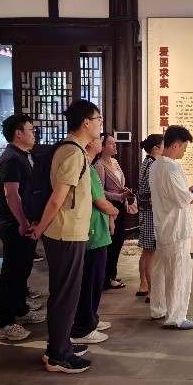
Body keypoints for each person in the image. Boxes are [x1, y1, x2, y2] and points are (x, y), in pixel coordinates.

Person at [29, 99, 102, 374]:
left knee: (64, 293)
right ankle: (59, 355)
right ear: (86, 122)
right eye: (98, 119)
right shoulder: (73, 153)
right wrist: (39, 228)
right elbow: (57, 198)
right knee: (65, 295)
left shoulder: (70, 148)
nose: (100, 124)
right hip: (66, 233)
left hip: (66, 232)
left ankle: (58, 346)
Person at [149, 125, 193, 329]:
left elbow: (172, 194)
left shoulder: (156, 165)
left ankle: (158, 308)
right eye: (184, 147)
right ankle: (175, 317)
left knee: (161, 270)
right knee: (178, 272)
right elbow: (184, 199)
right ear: (176, 145)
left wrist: (188, 190)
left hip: (163, 225)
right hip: (176, 228)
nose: (185, 151)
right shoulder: (172, 167)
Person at [0, 114, 46, 342]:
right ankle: (4, 324)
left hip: (26, 224)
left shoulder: (24, 155)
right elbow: (11, 194)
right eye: (30, 130)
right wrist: (23, 222)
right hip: (15, 225)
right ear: (18, 133)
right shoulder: (11, 158)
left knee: (22, 270)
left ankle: (20, 310)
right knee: (11, 273)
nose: (34, 134)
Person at [69, 137, 120, 345]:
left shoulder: (89, 167)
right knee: (90, 281)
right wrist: (114, 211)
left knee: (96, 280)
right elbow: (101, 202)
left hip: (97, 231)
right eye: (99, 139)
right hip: (92, 232)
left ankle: (91, 318)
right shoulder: (89, 169)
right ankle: (83, 327)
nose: (102, 142)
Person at [94, 133, 132, 290]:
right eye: (110, 143)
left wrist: (124, 192)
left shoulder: (115, 162)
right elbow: (100, 192)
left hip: (120, 205)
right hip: (109, 206)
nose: (114, 145)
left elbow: (119, 184)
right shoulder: (99, 165)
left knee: (118, 241)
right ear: (102, 147)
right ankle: (106, 278)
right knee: (111, 242)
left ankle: (111, 274)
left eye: (114, 143)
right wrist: (119, 195)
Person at [136, 134, 164, 301]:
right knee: (151, 252)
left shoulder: (147, 162)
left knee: (146, 252)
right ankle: (152, 292)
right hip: (150, 212)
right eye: (163, 146)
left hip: (145, 211)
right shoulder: (153, 164)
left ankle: (144, 285)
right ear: (156, 149)